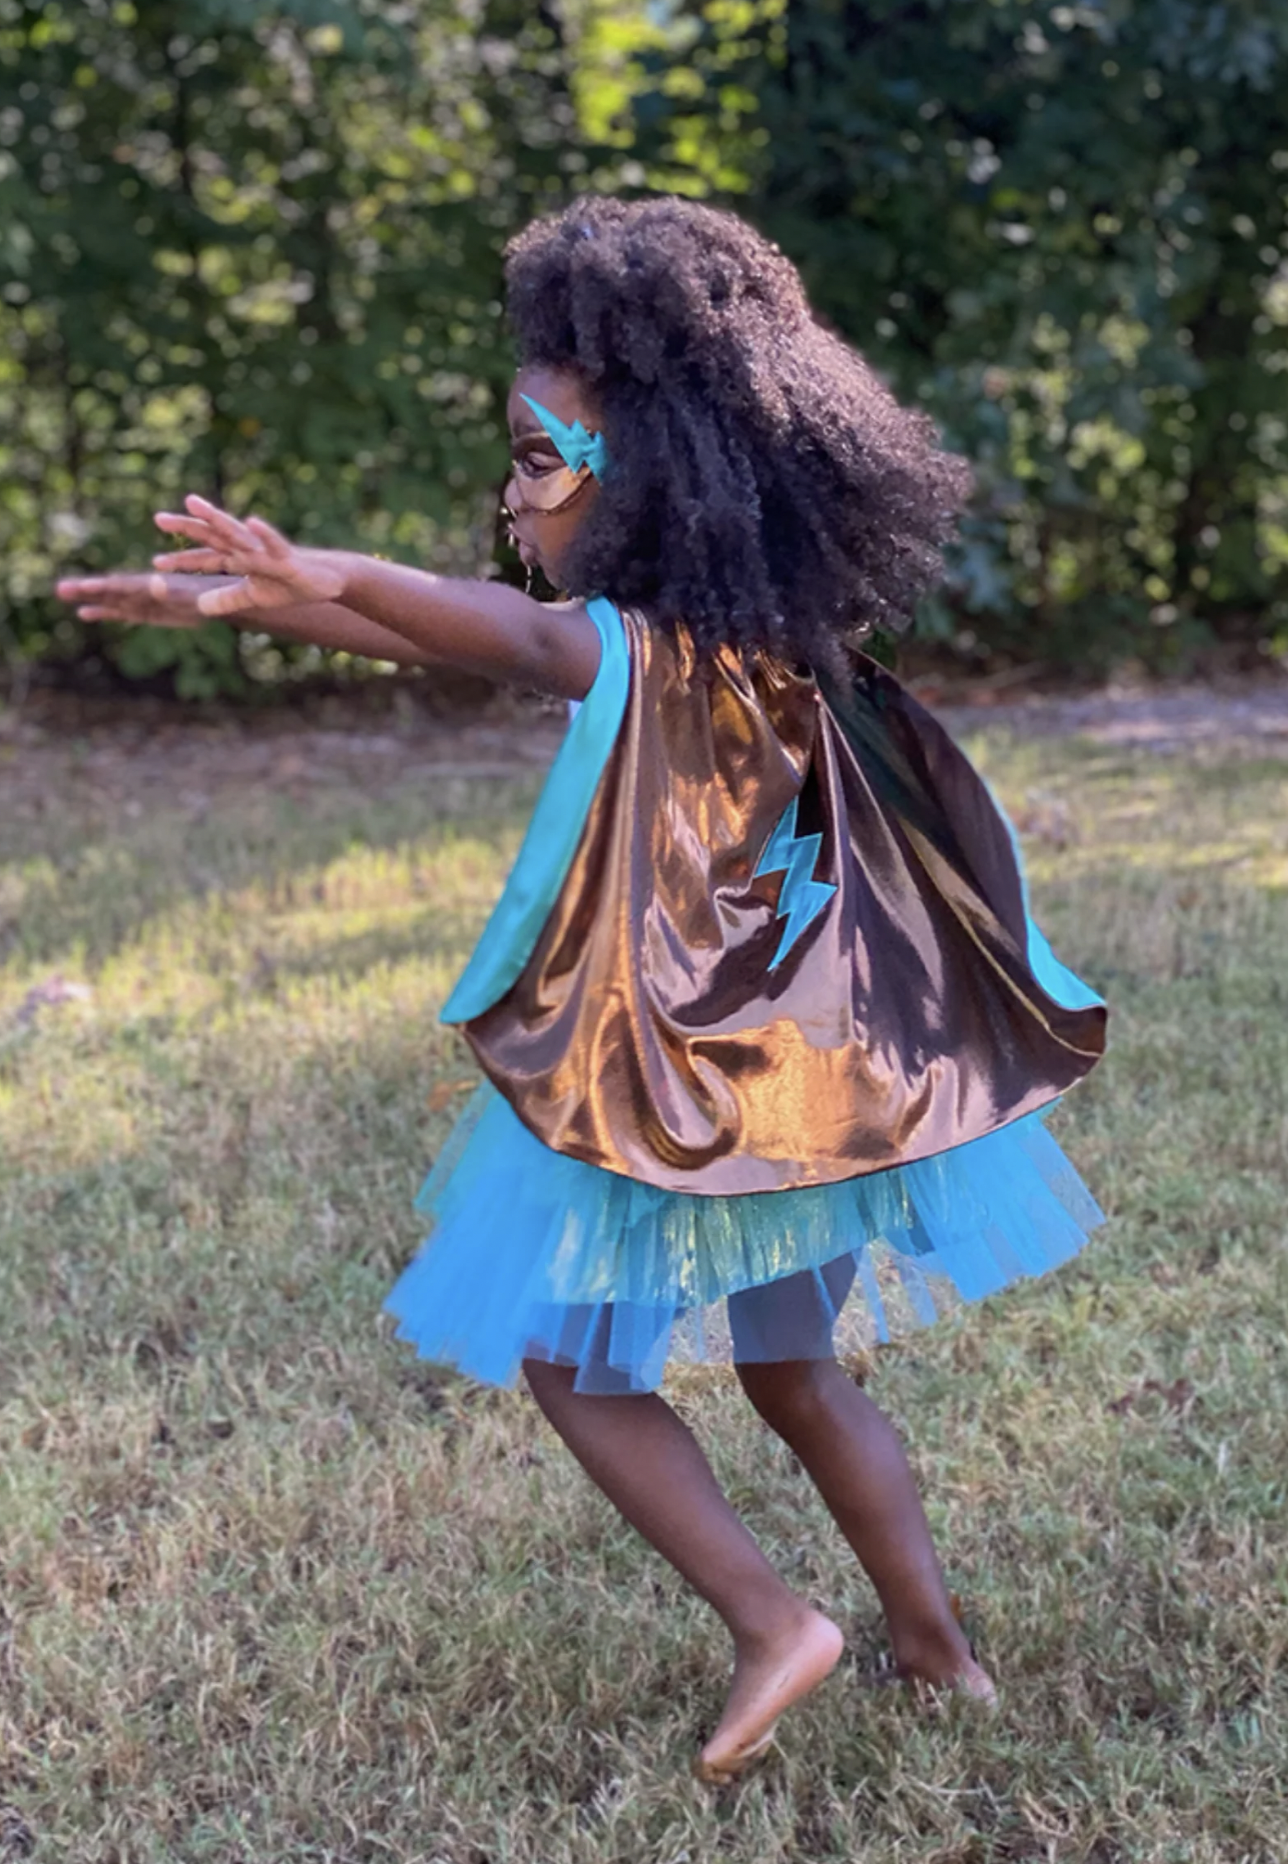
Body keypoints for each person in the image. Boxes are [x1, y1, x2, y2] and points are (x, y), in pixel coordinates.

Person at [57, 194, 1107, 1785]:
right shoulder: (786, 652)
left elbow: (499, 630)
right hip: (825, 1085)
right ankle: (938, 1653)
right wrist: (291, 601)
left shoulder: (632, 649)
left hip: (675, 1082)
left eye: (538, 460)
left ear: (647, 483)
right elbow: (472, 639)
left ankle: (779, 1622)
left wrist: (321, 571)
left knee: (568, 1362)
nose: (510, 494)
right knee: (795, 1368)